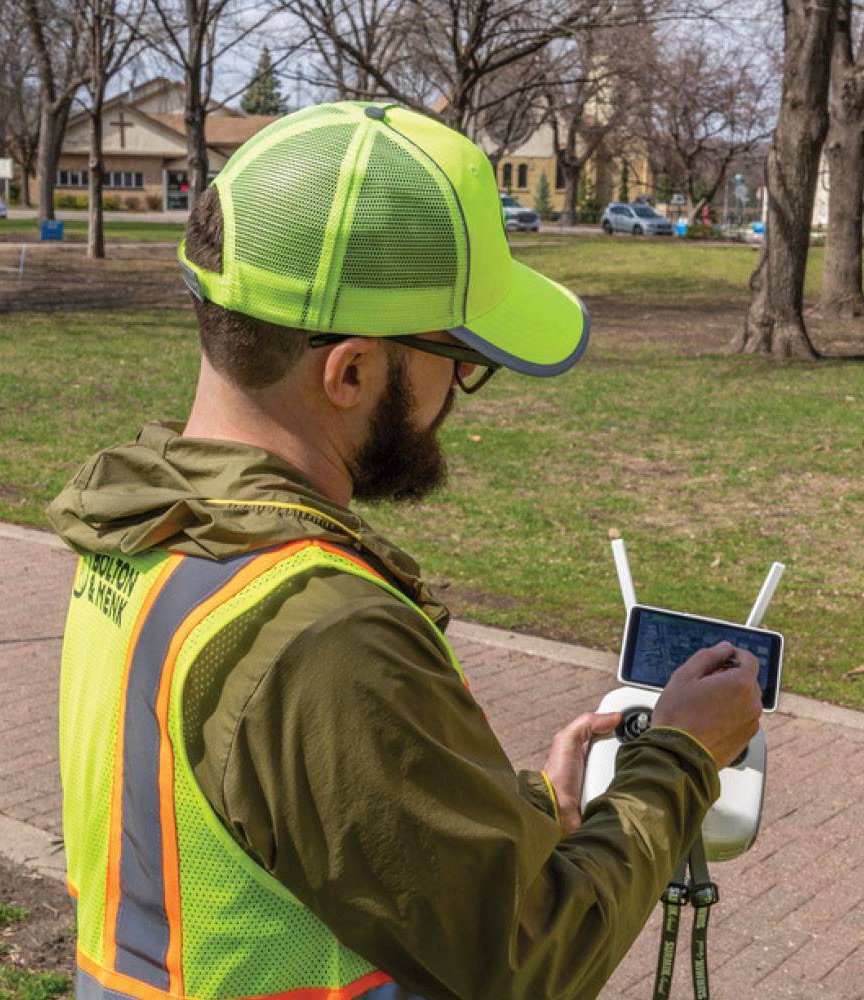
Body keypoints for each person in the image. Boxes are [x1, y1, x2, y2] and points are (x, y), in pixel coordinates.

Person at [46, 101, 763, 1000]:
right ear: (349, 372)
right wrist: (687, 756)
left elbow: (268, 832)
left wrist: (527, 810)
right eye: (456, 358)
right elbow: (528, 962)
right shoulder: (320, 634)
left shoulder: (144, 531)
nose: (462, 390)